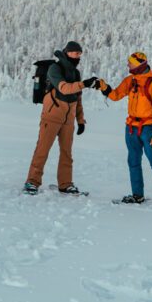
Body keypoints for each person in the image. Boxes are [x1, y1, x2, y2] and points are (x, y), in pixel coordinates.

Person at [94, 51, 152, 207]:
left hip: (149, 128)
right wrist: (103, 87)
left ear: (139, 64)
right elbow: (115, 95)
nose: (128, 64)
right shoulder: (130, 81)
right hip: (131, 129)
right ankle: (137, 195)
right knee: (133, 162)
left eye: (130, 62)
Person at [23, 41, 96, 196]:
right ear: (67, 53)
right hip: (51, 117)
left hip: (68, 121)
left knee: (67, 154)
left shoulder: (75, 73)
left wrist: (80, 120)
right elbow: (64, 88)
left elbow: (78, 98)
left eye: (79, 54)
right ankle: (32, 182)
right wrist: (84, 84)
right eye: (76, 53)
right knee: (42, 150)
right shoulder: (55, 69)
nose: (78, 57)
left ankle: (66, 184)